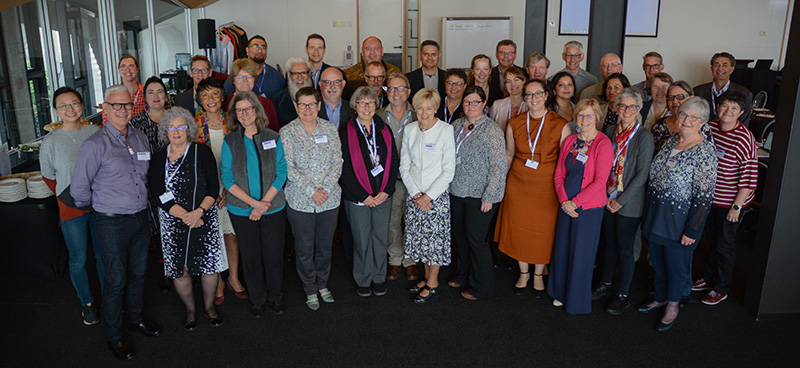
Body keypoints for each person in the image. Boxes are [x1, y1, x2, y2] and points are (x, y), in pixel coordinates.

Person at [71, 85, 160, 360]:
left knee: (139, 272)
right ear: (105, 109)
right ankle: (115, 335)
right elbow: (78, 191)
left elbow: (146, 178)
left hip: (140, 219)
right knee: (115, 278)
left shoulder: (141, 138)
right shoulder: (95, 145)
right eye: (116, 105)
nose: (122, 110)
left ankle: (134, 319)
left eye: (126, 106)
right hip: (111, 223)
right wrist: (103, 206)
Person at [639, 97, 717, 332]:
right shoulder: (671, 141)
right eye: (683, 114)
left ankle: (673, 306)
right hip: (657, 216)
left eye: (693, 117)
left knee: (677, 268)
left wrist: (692, 230)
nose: (686, 120)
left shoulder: (705, 151)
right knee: (659, 265)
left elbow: (705, 196)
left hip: (680, 222)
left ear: (702, 122)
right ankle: (661, 297)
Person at [148, 107, 227, 331]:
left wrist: (198, 213)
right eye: (171, 127)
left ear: (189, 129)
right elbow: (157, 193)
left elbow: (213, 187)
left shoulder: (202, 152)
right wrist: (186, 216)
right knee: (180, 269)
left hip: (204, 216)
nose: (176, 131)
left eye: (181, 126)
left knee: (208, 266)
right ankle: (191, 310)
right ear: (165, 131)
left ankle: (210, 307)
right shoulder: (159, 158)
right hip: (174, 221)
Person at [495, 79, 571, 294]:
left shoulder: (560, 123)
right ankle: (523, 273)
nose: (534, 98)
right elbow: (509, 154)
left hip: (546, 186)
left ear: (546, 95)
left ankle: (538, 274)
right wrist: (501, 184)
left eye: (538, 94)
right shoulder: (515, 122)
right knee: (519, 228)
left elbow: (565, 161)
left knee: (542, 231)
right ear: (525, 98)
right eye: (529, 95)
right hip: (518, 184)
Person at [220, 91, 288, 318]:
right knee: (251, 256)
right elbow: (228, 179)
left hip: (273, 208)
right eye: (240, 110)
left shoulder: (273, 137)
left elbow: (281, 173)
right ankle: (257, 299)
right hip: (241, 210)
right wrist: (254, 205)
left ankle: (275, 297)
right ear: (235, 115)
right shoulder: (230, 141)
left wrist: (264, 203)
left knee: (273, 255)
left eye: (249, 108)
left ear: (257, 110)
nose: (245, 113)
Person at [40, 87, 104, 326]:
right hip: (70, 206)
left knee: (103, 255)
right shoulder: (51, 141)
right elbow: (48, 176)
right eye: (64, 106)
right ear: (56, 111)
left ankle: (111, 298)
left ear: (82, 105)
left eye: (74, 103)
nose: (70, 109)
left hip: (100, 203)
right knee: (78, 258)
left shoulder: (96, 132)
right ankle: (87, 303)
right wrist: (69, 196)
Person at [591, 89, 655, 315]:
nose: (627, 111)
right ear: (616, 108)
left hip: (630, 202)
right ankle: (606, 283)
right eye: (623, 106)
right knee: (609, 243)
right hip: (607, 197)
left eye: (632, 107)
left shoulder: (644, 136)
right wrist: (608, 197)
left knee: (625, 249)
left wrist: (621, 200)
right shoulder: (609, 130)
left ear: (638, 110)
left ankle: (623, 294)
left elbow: (642, 175)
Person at [548, 98, 614, 314]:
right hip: (565, 204)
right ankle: (559, 292)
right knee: (563, 250)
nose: (584, 119)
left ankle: (576, 301)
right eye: (581, 115)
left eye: (589, 115)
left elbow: (600, 181)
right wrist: (564, 201)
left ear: (597, 117)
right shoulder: (570, 141)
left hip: (588, 209)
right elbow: (559, 174)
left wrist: (574, 203)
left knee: (582, 255)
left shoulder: (603, 143)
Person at [693, 91, 758, 306]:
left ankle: (721, 288)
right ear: (717, 106)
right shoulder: (709, 127)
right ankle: (709, 277)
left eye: (734, 108)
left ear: (741, 112)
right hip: (708, 199)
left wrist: (736, 207)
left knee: (725, 245)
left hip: (730, 203)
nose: (728, 111)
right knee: (711, 241)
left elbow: (748, 179)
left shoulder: (745, 137)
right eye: (724, 106)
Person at [281, 87, 343, 311]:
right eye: (302, 105)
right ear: (296, 107)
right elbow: (288, 167)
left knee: (325, 247)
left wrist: (324, 189)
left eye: (311, 104)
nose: (307, 109)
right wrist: (312, 191)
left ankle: (323, 284)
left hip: (329, 199)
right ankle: (309, 288)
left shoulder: (329, 129)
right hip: (300, 201)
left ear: (319, 106)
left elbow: (338, 161)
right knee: (304, 247)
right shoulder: (287, 132)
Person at [448, 85, 507, 300]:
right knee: (460, 237)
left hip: (480, 195)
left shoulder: (491, 130)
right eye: (467, 102)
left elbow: (498, 166)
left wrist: (490, 196)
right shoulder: (456, 125)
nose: (471, 106)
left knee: (476, 239)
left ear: (484, 104)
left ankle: (481, 285)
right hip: (456, 190)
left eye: (475, 102)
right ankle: (462, 274)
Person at [339, 86, 399, 297]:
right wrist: (363, 196)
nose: (366, 107)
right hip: (357, 198)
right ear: (355, 106)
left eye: (371, 102)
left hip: (383, 195)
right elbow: (344, 169)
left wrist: (386, 191)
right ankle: (363, 278)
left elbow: (393, 163)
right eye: (362, 103)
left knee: (380, 238)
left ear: (376, 105)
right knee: (362, 239)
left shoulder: (384, 129)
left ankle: (379, 277)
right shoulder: (345, 132)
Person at [193, 77, 248, 305]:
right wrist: (211, 193)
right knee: (211, 237)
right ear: (199, 100)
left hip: (232, 187)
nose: (211, 99)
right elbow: (193, 164)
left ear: (223, 96)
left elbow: (243, 159)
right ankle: (217, 281)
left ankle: (234, 278)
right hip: (206, 190)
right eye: (205, 95)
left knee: (231, 234)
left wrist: (229, 191)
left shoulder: (234, 122)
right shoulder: (192, 126)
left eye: (215, 94)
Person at [400, 88, 456, 304]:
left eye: (429, 108)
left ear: (436, 109)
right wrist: (416, 194)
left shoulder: (445, 130)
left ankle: (433, 283)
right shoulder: (410, 129)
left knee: (434, 243)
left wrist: (428, 196)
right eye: (420, 108)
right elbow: (404, 167)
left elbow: (448, 170)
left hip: (436, 197)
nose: (424, 112)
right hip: (415, 196)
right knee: (421, 241)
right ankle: (426, 278)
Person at [376, 73, 419, 281]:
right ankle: (395, 258)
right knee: (392, 221)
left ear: (408, 92)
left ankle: (410, 260)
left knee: (411, 220)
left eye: (400, 88)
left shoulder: (420, 115)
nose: (395, 93)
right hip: (389, 180)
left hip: (413, 179)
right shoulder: (377, 116)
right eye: (391, 89)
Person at [651, 81, 714, 153]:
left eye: (680, 97)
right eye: (671, 98)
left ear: (691, 98)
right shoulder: (659, 125)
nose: (675, 101)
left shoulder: (701, 126)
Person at [693, 52, 753, 125]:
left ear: (731, 70)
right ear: (712, 69)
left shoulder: (745, 94)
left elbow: (743, 125)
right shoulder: (697, 91)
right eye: (717, 65)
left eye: (725, 65)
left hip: (730, 135)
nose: (720, 68)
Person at [225, 58, 279, 131]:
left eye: (249, 76)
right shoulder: (225, 104)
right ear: (233, 80)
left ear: (254, 79)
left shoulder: (266, 103)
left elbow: (273, 132)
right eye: (240, 76)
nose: (245, 80)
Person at [102, 55, 145, 124]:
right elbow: (106, 121)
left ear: (137, 69)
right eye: (123, 67)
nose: (127, 70)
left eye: (131, 66)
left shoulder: (146, 93)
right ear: (119, 71)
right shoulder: (112, 94)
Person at [271, 57, 314, 127]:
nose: (300, 77)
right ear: (289, 75)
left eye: (303, 72)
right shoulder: (277, 100)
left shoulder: (318, 97)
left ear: (309, 74)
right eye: (295, 73)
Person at [489, 67, 528, 132]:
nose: (513, 84)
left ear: (524, 81)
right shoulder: (497, 105)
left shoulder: (531, 105)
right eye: (508, 81)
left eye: (516, 80)